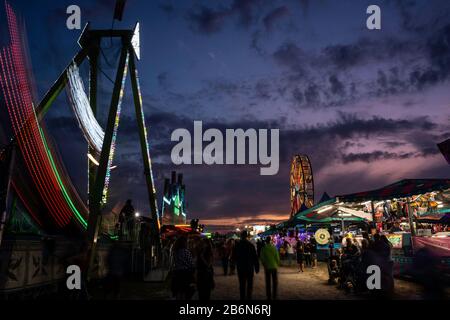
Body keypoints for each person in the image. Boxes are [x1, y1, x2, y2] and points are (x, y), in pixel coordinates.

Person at [233, 231, 259, 300]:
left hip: (241, 267)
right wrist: (257, 267)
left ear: (241, 236)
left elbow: (234, 256)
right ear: (247, 236)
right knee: (249, 284)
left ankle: (242, 297)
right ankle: (249, 297)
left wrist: (233, 264)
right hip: (249, 267)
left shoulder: (238, 245)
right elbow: (255, 257)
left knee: (242, 284)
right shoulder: (251, 245)